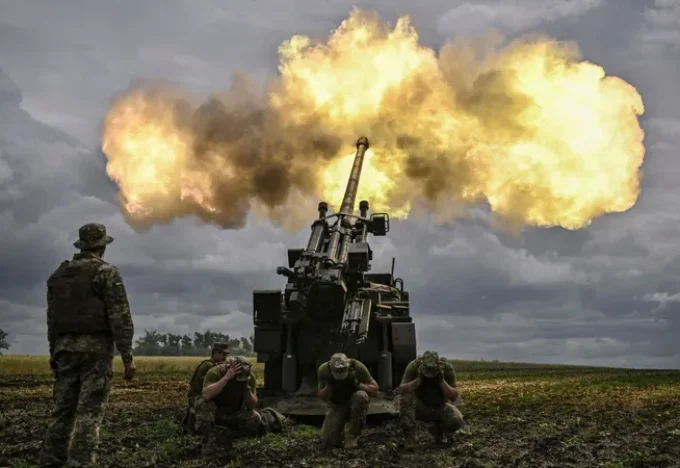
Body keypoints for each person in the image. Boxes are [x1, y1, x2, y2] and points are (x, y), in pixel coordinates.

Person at [39, 223, 136, 467]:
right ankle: (80, 463)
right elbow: (120, 317)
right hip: (95, 352)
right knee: (88, 414)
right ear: (102, 247)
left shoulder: (58, 276)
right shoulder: (106, 273)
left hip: (64, 350)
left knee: (62, 411)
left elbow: (52, 319)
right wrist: (127, 357)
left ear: (82, 246)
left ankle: (50, 462)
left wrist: (53, 352)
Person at [195, 356, 287, 459]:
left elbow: (252, 405)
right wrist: (227, 377)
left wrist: (246, 388)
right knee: (203, 403)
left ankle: (228, 435)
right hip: (216, 412)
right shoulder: (216, 372)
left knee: (256, 418)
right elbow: (207, 395)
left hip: (234, 411)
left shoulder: (249, 377)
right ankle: (209, 439)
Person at [397, 350, 464, 449]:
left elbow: (453, 396)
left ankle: (437, 430)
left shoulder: (447, 368)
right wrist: (418, 380)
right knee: (406, 399)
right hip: (419, 405)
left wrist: (441, 380)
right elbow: (401, 390)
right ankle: (410, 439)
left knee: (457, 420)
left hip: (440, 406)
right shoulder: (414, 366)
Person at [317, 353, 379, 449]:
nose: (340, 372)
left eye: (342, 370)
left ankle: (352, 435)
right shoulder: (324, 370)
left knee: (361, 397)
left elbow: (375, 391)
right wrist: (330, 385)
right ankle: (339, 432)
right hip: (336, 403)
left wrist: (358, 384)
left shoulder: (357, 367)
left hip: (354, 399)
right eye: (337, 370)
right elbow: (323, 397)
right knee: (328, 441)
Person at [176, 342, 230, 434]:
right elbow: (205, 389)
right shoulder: (208, 366)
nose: (225, 357)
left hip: (208, 394)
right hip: (197, 396)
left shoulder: (219, 366)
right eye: (223, 354)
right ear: (215, 353)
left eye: (226, 355)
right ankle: (204, 431)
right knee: (207, 406)